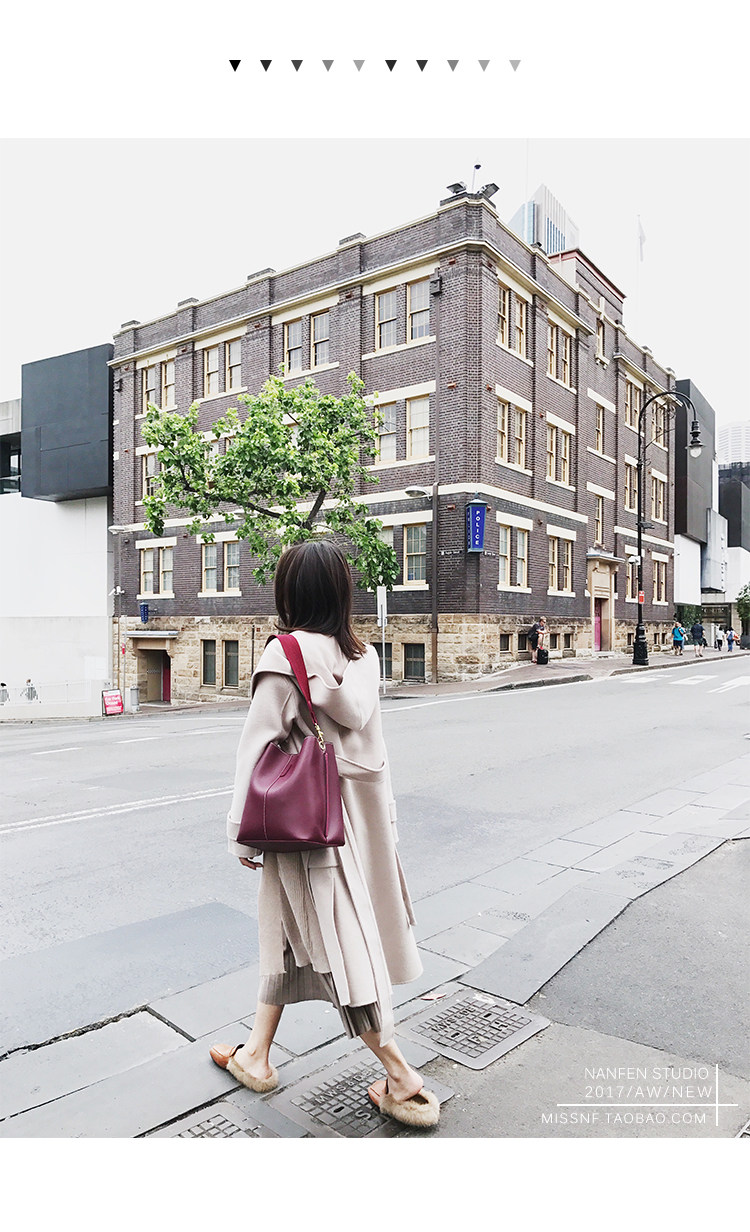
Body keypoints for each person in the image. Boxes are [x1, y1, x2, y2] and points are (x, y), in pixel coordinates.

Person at [209, 539, 440, 1129]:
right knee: (289, 932)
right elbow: (372, 749)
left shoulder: (284, 656)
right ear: (341, 593)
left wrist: (241, 832)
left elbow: (254, 750)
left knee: (341, 953)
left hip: (306, 831)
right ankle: (257, 1054)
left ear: (289, 593)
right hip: (361, 825)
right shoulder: (364, 658)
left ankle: (400, 1076)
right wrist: (386, 827)